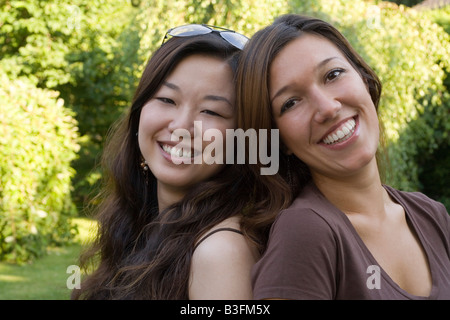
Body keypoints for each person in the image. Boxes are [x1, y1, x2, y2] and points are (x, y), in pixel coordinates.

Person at [236, 14, 450, 299]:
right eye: (291, 102)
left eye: (333, 75)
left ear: (363, 78)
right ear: (279, 139)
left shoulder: (431, 215)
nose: (327, 108)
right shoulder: (304, 233)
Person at [71, 24, 274, 300]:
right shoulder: (142, 222)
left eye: (211, 111)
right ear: (140, 109)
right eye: (167, 99)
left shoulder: (220, 251)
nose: (182, 126)